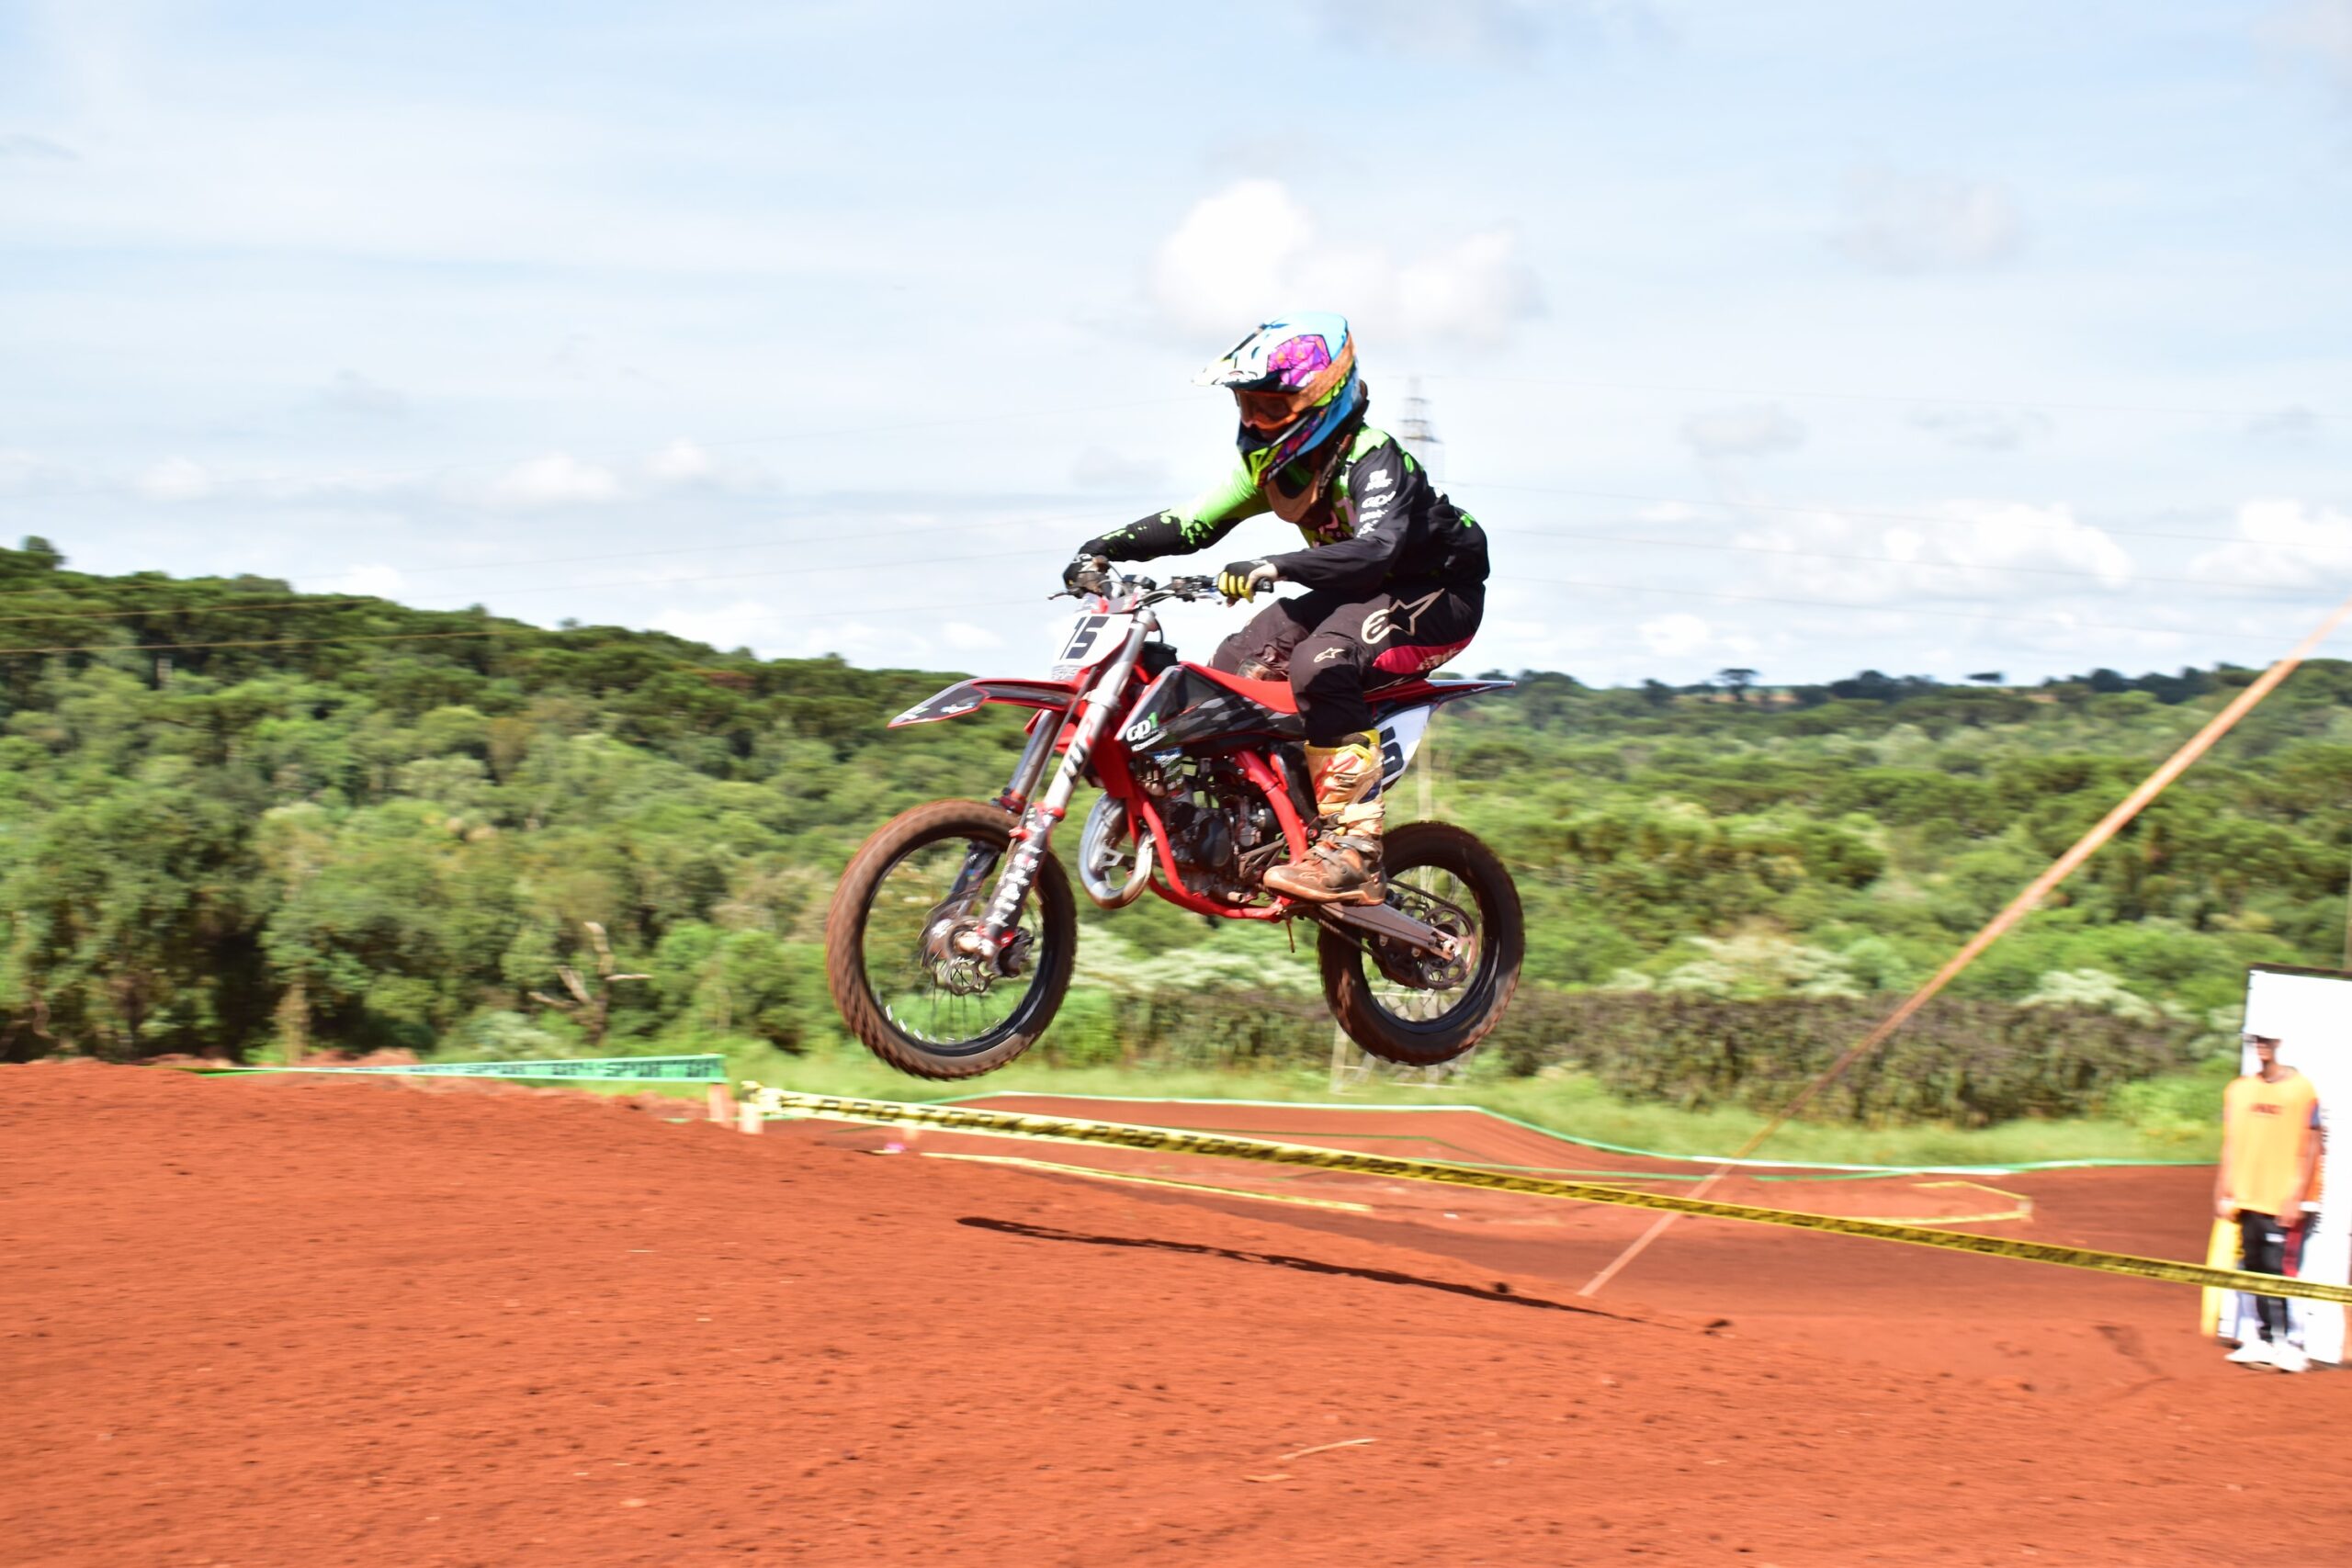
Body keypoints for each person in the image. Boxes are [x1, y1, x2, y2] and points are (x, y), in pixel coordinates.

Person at [1065, 313, 1489, 904]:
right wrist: (1100, 549)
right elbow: (1193, 523)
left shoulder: (1373, 457)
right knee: (1231, 666)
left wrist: (1275, 566)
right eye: (1247, 406)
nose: (1253, 422)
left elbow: (1376, 550)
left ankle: (1353, 850)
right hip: (1355, 592)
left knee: (1322, 661)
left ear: (1322, 401)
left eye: (1270, 407)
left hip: (1438, 594)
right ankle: (1263, 820)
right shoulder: (1270, 467)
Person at [2215, 1031, 2323, 1372]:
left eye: (2267, 1039)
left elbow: (2313, 1145)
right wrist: (2223, 1190)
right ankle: (2262, 1340)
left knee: (2281, 1271)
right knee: (2252, 1268)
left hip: (2284, 1201)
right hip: (2247, 1197)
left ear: (2279, 1043)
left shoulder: (2302, 1090)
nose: (2261, 1045)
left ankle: (2292, 1345)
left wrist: (2297, 1196)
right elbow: (2231, 1142)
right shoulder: (2239, 1090)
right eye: (2256, 1040)